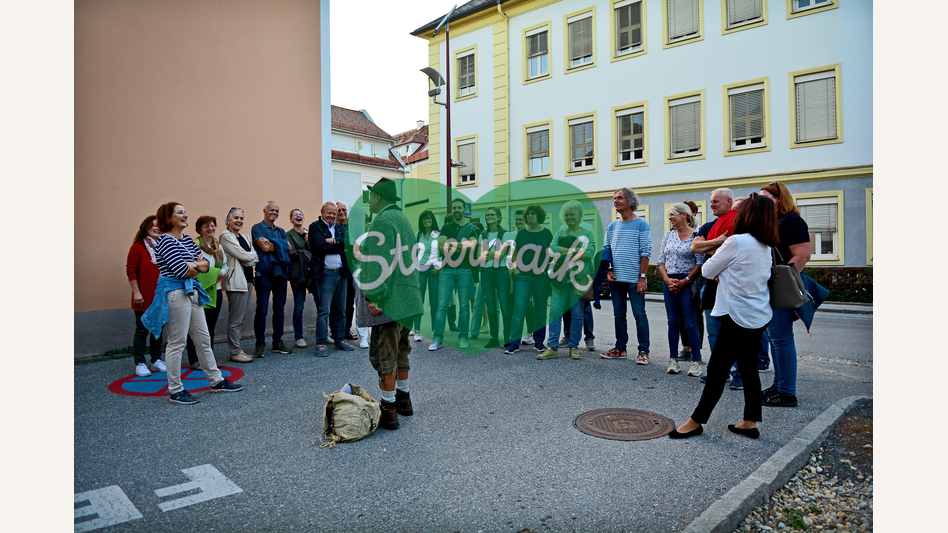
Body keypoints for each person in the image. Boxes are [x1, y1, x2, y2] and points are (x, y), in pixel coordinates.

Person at [669, 194, 778, 439]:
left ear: (749, 216)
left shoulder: (737, 241)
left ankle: (696, 421)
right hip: (758, 314)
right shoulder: (766, 245)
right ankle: (750, 421)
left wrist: (723, 269)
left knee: (718, 370)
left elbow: (707, 270)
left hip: (735, 314)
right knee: (749, 368)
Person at [142, 202, 243, 404]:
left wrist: (194, 265)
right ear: (168, 218)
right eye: (180, 212)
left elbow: (204, 265)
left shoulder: (187, 239)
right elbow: (182, 270)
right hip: (176, 293)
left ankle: (216, 381)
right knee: (177, 343)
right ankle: (176, 390)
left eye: (185, 211)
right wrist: (196, 265)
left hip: (192, 291)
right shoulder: (165, 240)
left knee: (203, 340)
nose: (185, 215)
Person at [357, 178, 424, 430]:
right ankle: (404, 399)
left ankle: (389, 408)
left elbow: (377, 262)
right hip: (409, 296)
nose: (369, 199)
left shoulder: (382, 220)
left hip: (391, 299)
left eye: (371, 195)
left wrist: (375, 297)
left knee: (385, 354)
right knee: (402, 349)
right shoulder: (403, 218)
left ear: (376, 197)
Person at [759, 181, 812, 408]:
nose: (762, 202)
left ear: (780, 199)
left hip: (779, 287)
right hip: (770, 286)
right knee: (774, 338)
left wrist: (782, 282)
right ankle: (779, 385)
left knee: (781, 339)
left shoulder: (791, 220)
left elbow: (802, 254)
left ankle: (787, 392)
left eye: (767, 198)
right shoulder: (772, 221)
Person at [691, 189, 741, 387]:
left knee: (734, 331)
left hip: (729, 283)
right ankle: (719, 370)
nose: (711, 204)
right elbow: (694, 248)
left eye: (716, 201)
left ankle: (739, 373)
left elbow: (732, 249)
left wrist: (711, 246)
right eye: (711, 201)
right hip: (711, 283)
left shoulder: (737, 221)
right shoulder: (708, 226)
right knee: (713, 330)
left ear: (729, 202)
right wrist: (720, 242)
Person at [539, 200, 595, 360]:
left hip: (578, 279)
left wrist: (565, 252)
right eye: (567, 214)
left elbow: (589, 253)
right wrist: (576, 250)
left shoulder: (587, 233)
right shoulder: (560, 232)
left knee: (577, 314)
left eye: (573, 214)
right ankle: (552, 347)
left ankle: (574, 347)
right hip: (560, 279)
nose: (569, 217)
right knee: (555, 313)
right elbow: (552, 249)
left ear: (580, 216)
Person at [601, 188, 651, 363]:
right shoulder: (612, 226)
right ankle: (620, 348)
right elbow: (606, 249)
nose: (615, 201)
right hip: (616, 280)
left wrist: (642, 277)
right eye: (614, 198)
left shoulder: (641, 224)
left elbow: (645, 252)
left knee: (640, 315)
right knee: (619, 315)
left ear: (629, 202)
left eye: (619, 198)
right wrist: (608, 269)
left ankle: (643, 351)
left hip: (634, 279)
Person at [657, 203, 704, 377]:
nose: (670, 218)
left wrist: (686, 280)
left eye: (672, 215)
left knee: (690, 322)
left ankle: (696, 362)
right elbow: (661, 260)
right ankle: (673, 360)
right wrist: (667, 279)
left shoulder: (697, 236)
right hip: (669, 281)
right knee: (673, 322)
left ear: (684, 215)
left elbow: (700, 262)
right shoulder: (668, 235)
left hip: (687, 282)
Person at [429, 197, 480, 351]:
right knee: (442, 305)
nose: (457, 210)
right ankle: (437, 338)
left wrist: (452, 245)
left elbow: (471, 245)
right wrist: (460, 246)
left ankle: (463, 337)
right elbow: (441, 245)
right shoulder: (446, 227)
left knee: (464, 306)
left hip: (465, 270)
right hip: (447, 270)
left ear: (465, 209)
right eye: (454, 208)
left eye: (459, 207)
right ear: (452, 210)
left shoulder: (471, 228)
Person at [504, 204, 553, 354]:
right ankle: (514, 343)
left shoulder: (547, 234)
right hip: (523, 276)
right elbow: (515, 252)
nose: (531, 216)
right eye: (529, 214)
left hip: (541, 277)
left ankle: (539, 342)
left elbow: (551, 253)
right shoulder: (522, 233)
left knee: (540, 310)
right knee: (519, 308)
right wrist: (515, 267)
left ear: (539, 216)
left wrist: (547, 270)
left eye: (533, 214)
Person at [309, 201, 356, 357]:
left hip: (341, 273)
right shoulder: (315, 227)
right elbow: (320, 246)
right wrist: (338, 245)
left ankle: (340, 339)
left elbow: (348, 243)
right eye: (329, 213)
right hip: (325, 274)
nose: (332, 216)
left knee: (340, 310)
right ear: (322, 212)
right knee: (324, 311)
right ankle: (321, 343)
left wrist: (334, 241)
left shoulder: (340, 227)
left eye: (334, 214)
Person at [185, 216, 231, 368]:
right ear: (199, 229)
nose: (210, 229)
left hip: (215, 290)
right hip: (199, 290)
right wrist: (210, 273)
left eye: (212, 225)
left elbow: (226, 267)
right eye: (206, 226)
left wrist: (219, 274)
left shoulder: (218, 246)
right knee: (197, 326)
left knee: (210, 326)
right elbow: (191, 266)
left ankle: (208, 359)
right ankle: (194, 360)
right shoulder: (194, 244)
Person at [251, 201, 293, 357]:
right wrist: (281, 244)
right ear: (265, 211)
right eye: (272, 210)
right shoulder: (257, 228)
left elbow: (289, 249)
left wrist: (274, 243)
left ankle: (277, 342)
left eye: (277, 210)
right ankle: (260, 344)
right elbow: (264, 247)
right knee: (261, 311)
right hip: (264, 274)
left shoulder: (281, 231)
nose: (274, 213)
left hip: (280, 274)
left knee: (279, 311)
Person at [126, 215, 166, 377]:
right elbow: (131, 271)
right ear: (145, 228)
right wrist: (136, 292)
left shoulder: (162, 247)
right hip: (143, 297)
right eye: (152, 226)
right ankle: (140, 363)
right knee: (142, 330)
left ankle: (156, 360)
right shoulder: (138, 247)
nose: (156, 228)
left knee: (158, 330)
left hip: (160, 297)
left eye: (159, 226)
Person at [220, 207, 258, 363]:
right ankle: (235, 351)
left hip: (248, 280)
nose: (239, 221)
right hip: (236, 282)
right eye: (236, 218)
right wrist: (248, 257)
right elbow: (244, 255)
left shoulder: (245, 237)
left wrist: (248, 257)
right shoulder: (225, 236)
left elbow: (255, 258)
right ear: (228, 220)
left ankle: (237, 349)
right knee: (236, 319)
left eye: (241, 218)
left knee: (241, 318)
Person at [475, 206, 512, 349]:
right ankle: (494, 337)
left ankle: (507, 337)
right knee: (490, 306)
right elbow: (479, 256)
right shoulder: (482, 234)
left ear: (499, 217)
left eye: (492, 215)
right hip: (486, 272)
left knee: (505, 306)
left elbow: (501, 255)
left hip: (501, 271)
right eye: (487, 215)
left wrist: (487, 254)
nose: (489, 217)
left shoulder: (506, 234)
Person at [677, 200, 704, 361]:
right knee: (680, 314)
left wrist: (689, 278)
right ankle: (685, 347)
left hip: (694, 279)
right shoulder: (675, 232)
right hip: (677, 278)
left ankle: (696, 348)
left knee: (695, 313)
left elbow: (700, 259)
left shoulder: (698, 233)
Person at [412, 209, 442, 342]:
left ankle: (435, 329)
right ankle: (417, 330)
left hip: (434, 270)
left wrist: (440, 266)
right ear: (421, 221)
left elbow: (446, 253)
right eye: (424, 219)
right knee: (419, 300)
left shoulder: (439, 235)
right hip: (421, 270)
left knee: (434, 301)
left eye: (429, 218)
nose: (427, 221)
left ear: (433, 220)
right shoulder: (417, 235)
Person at [334, 201, 361, 344]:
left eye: (343, 209)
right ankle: (337, 332)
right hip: (339, 270)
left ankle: (346, 330)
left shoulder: (354, 228)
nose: (341, 212)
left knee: (350, 302)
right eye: (339, 210)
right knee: (339, 303)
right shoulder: (334, 227)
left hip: (353, 269)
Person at [286, 208, 311, 349]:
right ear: (291, 219)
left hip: (310, 273)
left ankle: (324, 333)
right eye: (295, 215)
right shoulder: (288, 234)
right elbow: (293, 253)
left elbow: (311, 250)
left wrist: (306, 237)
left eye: (301, 214)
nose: (298, 216)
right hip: (297, 274)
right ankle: (299, 337)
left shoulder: (307, 233)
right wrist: (303, 252)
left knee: (321, 303)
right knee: (299, 306)